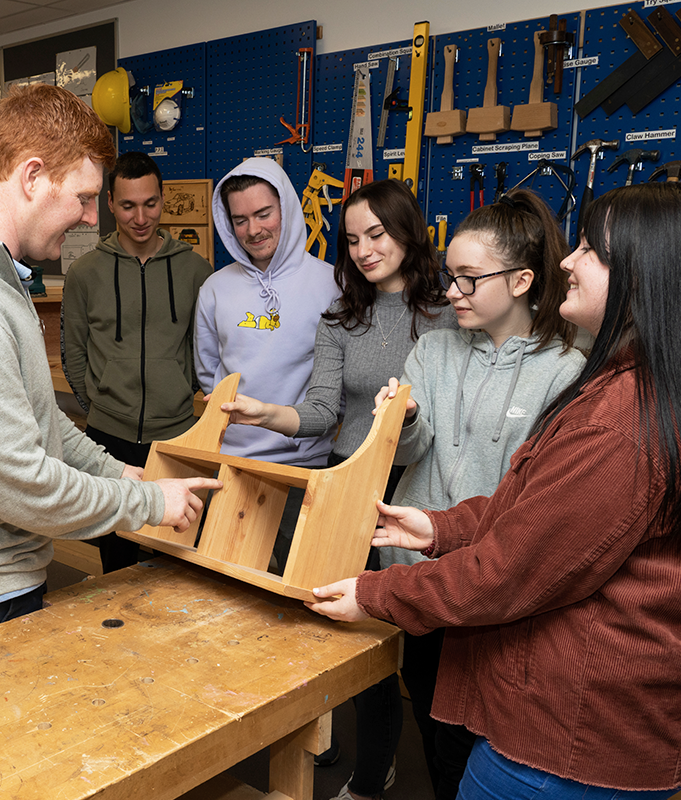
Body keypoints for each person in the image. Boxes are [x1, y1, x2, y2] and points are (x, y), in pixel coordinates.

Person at [308, 181, 681, 798]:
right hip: (498, 638)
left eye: (590, 249)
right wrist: (442, 526)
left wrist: (376, 592)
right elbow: (539, 506)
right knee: (442, 736)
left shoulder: (611, 413)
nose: (568, 261)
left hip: (566, 730)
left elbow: (511, 565)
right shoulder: (618, 385)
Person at [219, 178, 457, 800]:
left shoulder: (447, 313)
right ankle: (376, 768)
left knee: (429, 656)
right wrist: (265, 414)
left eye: (377, 234)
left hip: (419, 493)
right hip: (345, 491)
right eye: (352, 240)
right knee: (358, 642)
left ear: (408, 230)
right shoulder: (342, 316)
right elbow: (323, 410)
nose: (364, 250)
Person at [0, 83, 220, 636]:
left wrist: (114, 470)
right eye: (82, 197)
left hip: (3, 584)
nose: (87, 218)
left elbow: (36, 414)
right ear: (32, 177)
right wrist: (145, 499)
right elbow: (22, 487)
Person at [368, 188, 586, 800]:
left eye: (468, 279)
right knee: (433, 734)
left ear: (521, 280)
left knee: (480, 745)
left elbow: (543, 500)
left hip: (494, 596)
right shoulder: (434, 349)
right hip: (416, 575)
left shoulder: (566, 370)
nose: (451, 293)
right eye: (448, 277)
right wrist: (402, 423)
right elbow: (407, 453)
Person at [62, 151, 213, 573]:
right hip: (109, 437)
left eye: (150, 203)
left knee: (178, 556)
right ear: (110, 203)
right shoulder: (85, 273)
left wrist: (182, 395)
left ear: (163, 200)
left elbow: (203, 349)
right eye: (128, 205)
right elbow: (74, 352)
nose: (140, 217)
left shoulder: (197, 271)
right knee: (116, 556)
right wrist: (101, 407)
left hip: (176, 436)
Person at [193, 157, 339, 569]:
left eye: (263, 214)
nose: (253, 230)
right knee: (230, 592)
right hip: (232, 468)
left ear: (287, 209)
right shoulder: (215, 289)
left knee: (302, 593)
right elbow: (208, 372)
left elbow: (337, 385)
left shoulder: (331, 284)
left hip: (305, 469)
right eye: (239, 220)